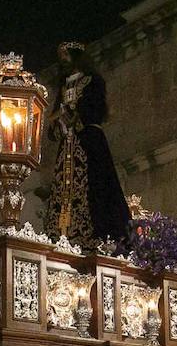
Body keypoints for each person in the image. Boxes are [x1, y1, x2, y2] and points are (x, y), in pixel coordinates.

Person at [42, 42, 129, 246]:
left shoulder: (93, 80)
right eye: (60, 55)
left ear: (76, 55)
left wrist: (73, 114)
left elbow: (95, 109)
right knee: (63, 187)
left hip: (89, 141)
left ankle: (97, 236)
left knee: (96, 185)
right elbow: (55, 116)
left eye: (65, 54)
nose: (62, 59)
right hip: (68, 145)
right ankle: (63, 234)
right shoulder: (63, 86)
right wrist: (57, 124)